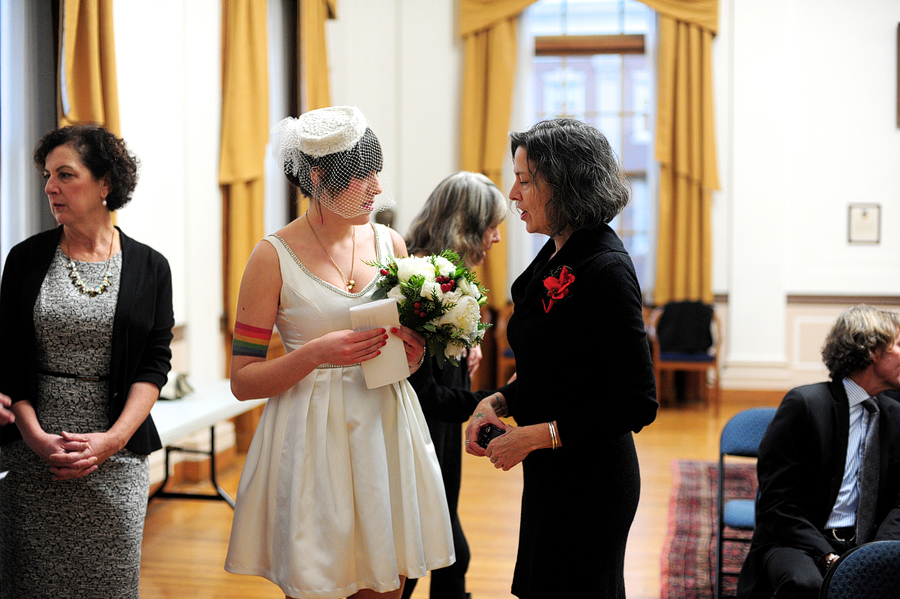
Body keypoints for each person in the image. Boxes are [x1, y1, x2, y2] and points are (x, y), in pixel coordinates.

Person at [224, 106, 455, 599]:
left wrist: (412, 354)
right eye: (361, 175)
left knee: (388, 580)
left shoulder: (391, 244)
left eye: (377, 172)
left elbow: (407, 355)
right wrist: (314, 354)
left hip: (384, 427)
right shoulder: (271, 257)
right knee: (319, 580)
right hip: (312, 436)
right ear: (317, 177)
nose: (376, 187)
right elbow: (242, 379)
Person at [463, 118, 659, 598]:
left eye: (526, 180)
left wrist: (535, 436)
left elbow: (637, 401)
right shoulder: (559, 251)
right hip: (554, 472)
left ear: (567, 183)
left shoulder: (606, 267)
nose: (513, 194)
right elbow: (557, 370)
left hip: (592, 480)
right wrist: (498, 402)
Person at [0, 125, 174, 599]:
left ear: (105, 184)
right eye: (46, 175)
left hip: (116, 455)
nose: (50, 187)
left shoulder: (151, 267)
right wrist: (34, 437)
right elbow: (10, 358)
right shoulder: (24, 258)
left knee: (111, 585)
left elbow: (154, 365)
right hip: (36, 451)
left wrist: (111, 442)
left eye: (65, 175)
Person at [737, 305, 900, 599]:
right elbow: (777, 503)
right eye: (897, 344)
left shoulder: (894, 415)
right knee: (806, 585)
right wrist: (826, 554)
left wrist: (877, 553)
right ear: (872, 351)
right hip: (799, 541)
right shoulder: (805, 406)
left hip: (867, 541)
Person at [401, 172, 506, 599]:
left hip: (441, 436)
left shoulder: (447, 276)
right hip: (419, 435)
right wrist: (494, 400)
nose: (497, 238)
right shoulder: (419, 283)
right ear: (465, 225)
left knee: (443, 550)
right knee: (425, 557)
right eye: (490, 226)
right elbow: (424, 395)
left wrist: (469, 342)